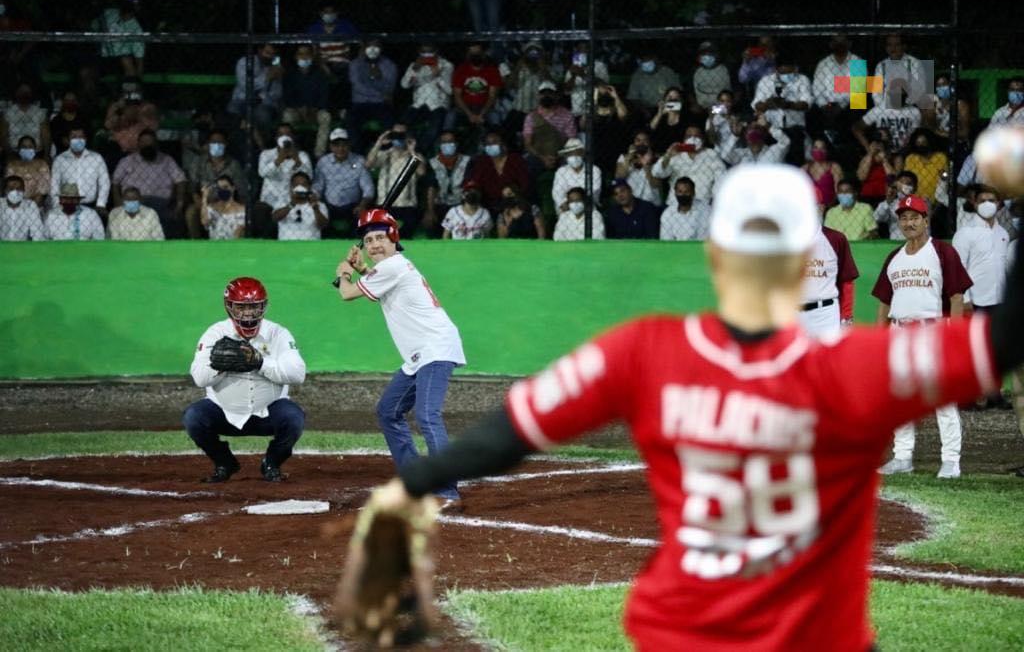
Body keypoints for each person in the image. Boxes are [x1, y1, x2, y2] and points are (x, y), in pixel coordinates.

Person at [362, 162, 1024, 650]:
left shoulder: (643, 353)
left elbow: (510, 432)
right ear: (805, 265)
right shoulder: (862, 368)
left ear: (713, 257)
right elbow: (1009, 336)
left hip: (676, 635)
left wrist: (409, 487)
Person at [335, 210, 466, 503]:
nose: (373, 245)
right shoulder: (391, 269)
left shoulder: (393, 265)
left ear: (394, 238)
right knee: (388, 411)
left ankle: (446, 489)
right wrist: (362, 270)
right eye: (368, 240)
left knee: (427, 415)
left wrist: (344, 272)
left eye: (380, 237)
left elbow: (346, 294)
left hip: (435, 348)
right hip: (419, 355)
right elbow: (381, 286)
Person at [874, 195, 972, 479]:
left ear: (926, 220)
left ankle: (951, 460)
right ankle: (903, 456)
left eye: (914, 217)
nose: (908, 222)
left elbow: (956, 296)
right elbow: (884, 302)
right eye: (903, 218)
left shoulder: (942, 251)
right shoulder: (895, 257)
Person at [184, 277, 307, 483]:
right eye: (242, 307)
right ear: (229, 307)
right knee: (193, 417)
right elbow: (199, 378)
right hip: (224, 411)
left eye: (254, 306)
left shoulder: (278, 333)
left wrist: (260, 362)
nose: (248, 313)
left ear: (263, 306)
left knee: (294, 418)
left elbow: (298, 374)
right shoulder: (215, 333)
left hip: (268, 411)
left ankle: (272, 462)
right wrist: (225, 364)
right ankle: (224, 462)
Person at [953, 186, 1014, 411]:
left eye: (992, 199)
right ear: (974, 202)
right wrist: (965, 298)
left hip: (997, 299)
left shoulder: (1003, 234)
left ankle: (994, 394)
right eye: (983, 200)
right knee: (973, 349)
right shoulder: (965, 232)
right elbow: (958, 268)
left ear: (999, 204)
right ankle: (968, 396)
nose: (988, 203)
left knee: (994, 349)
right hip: (975, 300)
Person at [799, 193, 859, 336]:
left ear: (821, 207)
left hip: (826, 313)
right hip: (793, 314)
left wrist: (846, 316)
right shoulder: (785, 241)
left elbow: (847, 281)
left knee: (829, 357)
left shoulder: (835, 239)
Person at [111, 129, 188, 238]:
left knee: (173, 218)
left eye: (150, 142)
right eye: (144, 142)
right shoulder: (127, 161)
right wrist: (117, 201)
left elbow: (181, 180)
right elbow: (115, 182)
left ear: (156, 144)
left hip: (161, 203)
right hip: (134, 201)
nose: (147, 145)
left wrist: (179, 204)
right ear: (138, 144)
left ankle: (168, 250)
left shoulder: (167, 160)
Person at [366, 125, 429, 237]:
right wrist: (379, 142)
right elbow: (368, 164)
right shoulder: (384, 155)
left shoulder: (415, 156)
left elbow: (421, 172)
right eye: (395, 135)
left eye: (401, 135)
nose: (398, 138)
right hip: (385, 204)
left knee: (406, 238)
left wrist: (412, 150)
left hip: (407, 206)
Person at [185, 130, 248, 239]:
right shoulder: (198, 162)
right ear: (208, 144)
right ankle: (195, 244)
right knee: (191, 213)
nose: (217, 145)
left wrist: (233, 204)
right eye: (213, 142)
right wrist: (200, 201)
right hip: (204, 201)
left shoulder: (234, 165)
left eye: (220, 142)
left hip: (228, 201)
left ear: (226, 144)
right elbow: (192, 186)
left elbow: (241, 189)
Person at [312, 127, 375, 237]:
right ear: (331, 146)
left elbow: (368, 188)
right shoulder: (323, 162)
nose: (341, 148)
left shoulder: (359, 161)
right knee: (320, 216)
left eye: (344, 144)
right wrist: (316, 199)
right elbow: (318, 186)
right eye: (336, 145)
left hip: (353, 206)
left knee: (362, 218)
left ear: (349, 145)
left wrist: (362, 205)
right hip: (329, 205)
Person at [255, 124, 314, 237]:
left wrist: (297, 160)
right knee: (260, 211)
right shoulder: (266, 154)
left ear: (293, 138)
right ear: (276, 138)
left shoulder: (302, 155)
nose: (285, 137)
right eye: (281, 134)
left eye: (288, 134)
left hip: (291, 201)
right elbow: (262, 173)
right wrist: (278, 160)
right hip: (269, 202)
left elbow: (309, 177)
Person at [751, 59, 813, 165]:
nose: (787, 76)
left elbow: (807, 103)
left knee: (794, 166)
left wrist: (788, 105)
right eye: (783, 73)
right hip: (771, 130)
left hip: (795, 130)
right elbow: (755, 104)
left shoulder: (802, 80)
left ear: (795, 69)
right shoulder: (766, 81)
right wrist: (768, 104)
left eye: (790, 73)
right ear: (776, 70)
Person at [651, 125, 726, 206]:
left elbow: (721, 177)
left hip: (702, 204)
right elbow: (657, 173)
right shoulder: (675, 154)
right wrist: (668, 155)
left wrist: (714, 198)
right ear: (684, 139)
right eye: (689, 136)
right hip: (675, 204)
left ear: (703, 140)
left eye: (697, 136)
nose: (693, 139)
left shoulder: (711, 154)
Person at [400, 43, 454, 155]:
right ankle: (412, 149)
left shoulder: (446, 65)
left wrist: (438, 76)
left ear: (436, 51)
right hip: (418, 104)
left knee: (433, 129)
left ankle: (418, 153)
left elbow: (450, 90)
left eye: (429, 51)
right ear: (419, 52)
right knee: (403, 125)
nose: (427, 54)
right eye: (423, 51)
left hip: (438, 105)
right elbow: (404, 85)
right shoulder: (415, 65)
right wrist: (414, 70)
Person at [227, 44, 283, 148]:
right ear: (259, 50)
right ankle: (236, 146)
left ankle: (260, 147)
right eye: (267, 53)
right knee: (232, 109)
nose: (269, 57)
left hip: (263, 104)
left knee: (263, 115)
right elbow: (245, 85)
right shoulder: (245, 62)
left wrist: (263, 95)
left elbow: (277, 93)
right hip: (242, 100)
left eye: (272, 54)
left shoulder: (276, 67)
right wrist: (266, 78)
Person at [448, 43, 503, 151]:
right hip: (465, 107)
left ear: (483, 54)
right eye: (472, 53)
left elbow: (492, 96)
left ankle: (495, 149)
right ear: (467, 55)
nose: (475, 56)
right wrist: (470, 115)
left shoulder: (492, 70)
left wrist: (481, 114)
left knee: (495, 117)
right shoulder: (461, 69)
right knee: (451, 116)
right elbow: (457, 96)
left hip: (485, 106)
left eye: (477, 53)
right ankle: (449, 148)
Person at [282, 44, 332, 158]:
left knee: (326, 117)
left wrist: (314, 109)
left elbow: (324, 96)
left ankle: (319, 154)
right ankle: (290, 152)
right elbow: (287, 97)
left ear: (312, 56)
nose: (304, 57)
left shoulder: (319, 73)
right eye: (301, 54)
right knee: (287, 117)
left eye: (307, 54)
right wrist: (299, 108)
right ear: (295, 57)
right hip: (296, 110)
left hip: (315, 110)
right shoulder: (290, 73)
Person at [348, 40, 398, 153]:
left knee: (389, 121)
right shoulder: (355, 64)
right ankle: (358, 154)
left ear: (381, 48)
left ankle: (385, 153)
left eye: (376, 46)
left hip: (381, 104)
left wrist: (379, 78)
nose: (372, 49)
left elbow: (390, 87)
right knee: (351, 121)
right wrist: (381, 90)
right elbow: (358, 87)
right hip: (360, 104)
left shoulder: (389, 65)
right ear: (364, 48)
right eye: (369, 45)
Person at [49, 126, 110, 214]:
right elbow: (54, 184)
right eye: (74, 137)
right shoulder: (60, 159)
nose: (78, 140)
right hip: (67, 206)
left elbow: (104, 182)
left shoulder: (96, 158)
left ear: (86, 139)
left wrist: (101, 204)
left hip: (92, 205)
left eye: (81, 137)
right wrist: (57, 205)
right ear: (67, 140)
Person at [522, 80, 577, 176]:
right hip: (538, 155)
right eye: (543, 94)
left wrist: (556, 157)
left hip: (560, 154)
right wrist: (543, 158)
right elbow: (528, 144)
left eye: (550, 93)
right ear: (538, 96)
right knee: (526, 166)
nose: (546, 96)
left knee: (572, 162)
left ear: (556, 95)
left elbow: (571, 141)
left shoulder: (567, 115)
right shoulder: (531, 117)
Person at [467, 131, 530, 213]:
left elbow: (525, 183)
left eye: (494, 142)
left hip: (514, 203)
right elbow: (475, 182)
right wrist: (473, 191)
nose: (490, 146)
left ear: (503, 144)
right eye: (487, 144)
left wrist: (513, 190)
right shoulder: (482, 161)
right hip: (488, 205)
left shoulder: (515, 159)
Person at [424, 131, 471, 234]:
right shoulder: (433, 162)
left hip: (460, 204)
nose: (447, 145)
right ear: (439, 145)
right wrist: (430, 210)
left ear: (456, 144)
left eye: (450, 141)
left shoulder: (467, 161)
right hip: (440, 205)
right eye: (444, 142)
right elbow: (431, 187)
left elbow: (469, 185)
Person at [872, 34, 926, 110]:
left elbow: (920, 89)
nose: (893, 49)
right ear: (886, 47)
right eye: (889, 45)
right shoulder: (881, 65)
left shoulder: (914, 63)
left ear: (904, 46)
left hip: (909, 107)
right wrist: (882, 108)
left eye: (897, 45)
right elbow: (876, 93)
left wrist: (903, 103)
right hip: (885, 108)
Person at [96, 0, 145, 79]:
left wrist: (139, 74)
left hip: (118, 61)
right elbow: (93, 26)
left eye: (133, 4)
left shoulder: (136, 29)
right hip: (100, 56)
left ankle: (130, 90)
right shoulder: (109, 13)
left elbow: (139, 56)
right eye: (128, 2)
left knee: (126, 61)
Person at [273, 172, 329, 241]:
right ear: (291, 187)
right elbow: (275, 218)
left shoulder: (319, 204)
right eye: (296, 184)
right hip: (286, 244)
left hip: (311, 245)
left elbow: (323, 225)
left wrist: (315, 208)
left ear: (309, 187)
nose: (299, 187)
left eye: (304, 185)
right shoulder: (282, 202)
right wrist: (292, 204)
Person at [552, 138, 601, 214]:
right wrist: (569, 206)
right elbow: (557, 193)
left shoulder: (594, 170)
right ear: (566, 156)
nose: (574, 156)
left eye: (577, 153)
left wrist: (579, 204)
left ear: (582, 154)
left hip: (588, 209)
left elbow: (594, 191)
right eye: (570, 154)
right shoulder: (561, 172)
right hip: (565, 210)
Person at [615, 130, 662, 207]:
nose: (641, 143)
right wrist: (629, 158)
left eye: (645, 140)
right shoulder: (624, 157)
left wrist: (647, 163)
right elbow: (619, 178)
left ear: (650, 143)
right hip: (630, 201)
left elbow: (656, 185)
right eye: (638, 140)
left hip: (651, 201)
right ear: (633, 143)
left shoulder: (657, 158)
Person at [717, 117, 791, 166]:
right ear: (745, 135)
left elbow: (785, 141)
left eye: (757, 129)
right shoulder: (741, 154)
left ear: (764, 134)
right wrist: (735, 136)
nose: (753, 131)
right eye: (750, 129)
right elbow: (725, 155)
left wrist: (768, 126)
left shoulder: (774, 151)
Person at [626, 52, 681, 116]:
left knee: (678, 107)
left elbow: (678, 92)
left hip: (668, 106)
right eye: (643, 64)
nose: (646, 67)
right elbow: (633, 98)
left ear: (656, 62)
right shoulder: (637, 75)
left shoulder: (667, 72)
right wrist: (644, 110)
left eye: (649, 64)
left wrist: (667, 108)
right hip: (648, 109)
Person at [563, 42, 609, 119]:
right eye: (580, 49)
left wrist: (583, 75)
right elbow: (566, 90)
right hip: (577, 111)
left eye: (586, 48)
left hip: (596, 111)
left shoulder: (599, 65)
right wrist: (573, 75)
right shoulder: (573, 67)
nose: (583, 51)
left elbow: (604, 88)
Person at [2, 82, 50, 156]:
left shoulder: (39, 112)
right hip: (14, 152)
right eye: (22, 92)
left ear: (31, 94)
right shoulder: (8, 113)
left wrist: (46, 155)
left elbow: (46, 136)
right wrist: (9, 154)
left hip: (36, 152)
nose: (25, 94)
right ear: (16, 94)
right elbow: (3, 136)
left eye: (27, 92)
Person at [659, 177, 710, 241]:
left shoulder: (705, 211)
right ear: (675, 193)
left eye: (686, 192)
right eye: (680, 192)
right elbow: (666, 242)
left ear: (693, 193)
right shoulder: (668, 214)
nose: (683, 195)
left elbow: (704, 240)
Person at [5, 135, 49, 208]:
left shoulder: (42, 165)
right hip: (14, 203)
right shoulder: (12, 165)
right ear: (18, 149)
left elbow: (41, 192)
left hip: (36, 205)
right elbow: (10, 188)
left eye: (30, 146)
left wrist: (30, 208)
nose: (27, 149)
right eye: (23, 146)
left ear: (35, 149)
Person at [199, 175, 247, 240]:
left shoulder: (243, 210)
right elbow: (204, 221)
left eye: (225, 187)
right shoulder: (212, 207)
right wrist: (204, 197)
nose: (222, 190)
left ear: (233, 188)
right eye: (219, 188)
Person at [874, 170, 918, 240]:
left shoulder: (923, 202)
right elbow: (876, 218)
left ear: (915, 188)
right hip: (896, 243)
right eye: (901, 184)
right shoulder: (890, 203)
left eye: (908, 184)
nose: (904, 187)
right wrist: (887, 203)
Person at [0, 175, 45, 241]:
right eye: (11, 188)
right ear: (5, 191)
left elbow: (37, 232)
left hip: (22, 246)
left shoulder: (30, 205)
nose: (15, 191)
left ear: (24, 190)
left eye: (19, 188)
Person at [648, 87, 690, 155]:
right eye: (670, 97)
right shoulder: (659, 116)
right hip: (660, 154)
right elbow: (650, 130)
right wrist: (659, 114)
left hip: (681, 154)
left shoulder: (687, 118)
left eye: (676, 98)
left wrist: (678, 149)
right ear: (664, 100)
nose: (673, 100)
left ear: (681, 101)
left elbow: (691, 146)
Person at [801, 138, 843, 206]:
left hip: (829, 206)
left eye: (822, 148)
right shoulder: (804, 168)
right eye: (816, 148)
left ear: (827, 151)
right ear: (812, 150)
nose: (819, 151)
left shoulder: (834, 167)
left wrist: (827, 206)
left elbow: (839, 191)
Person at [692, 41, 732, 112]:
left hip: (724, 109)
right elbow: (690, 93)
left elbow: (737, 93)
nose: (707, 56)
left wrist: (716, 110)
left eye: (710, 53)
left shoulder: (726, 70)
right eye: (704, 53)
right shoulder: (696, 72)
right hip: (702, 110)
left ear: (717, 54)